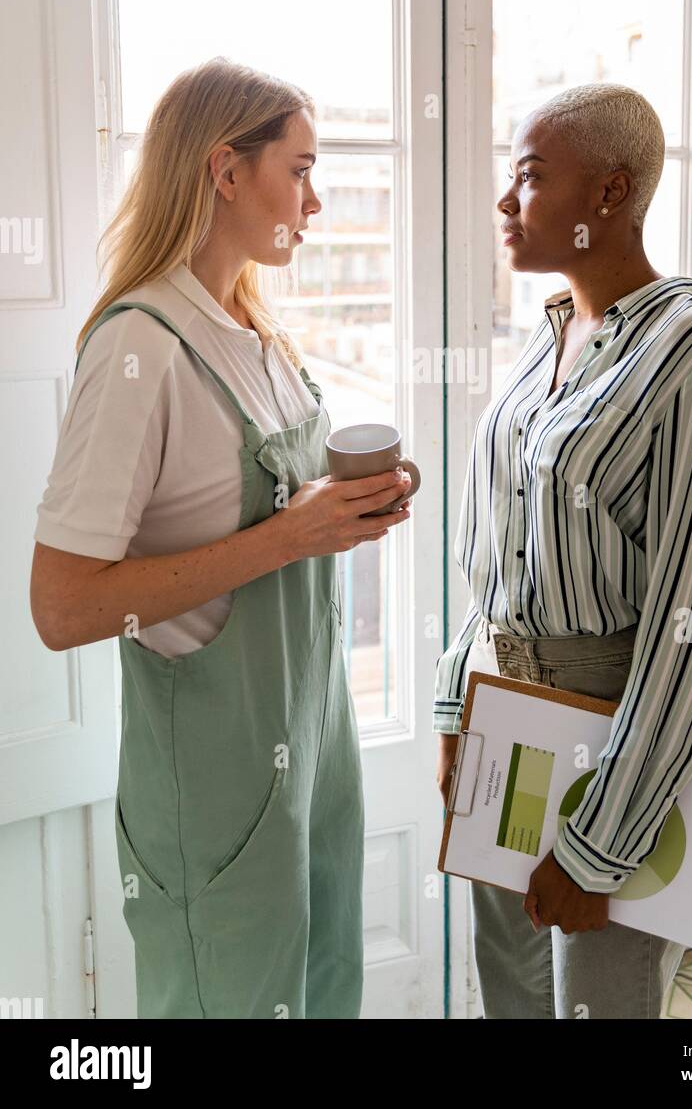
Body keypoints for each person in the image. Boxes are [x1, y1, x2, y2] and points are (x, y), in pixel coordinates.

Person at [30, 57, 414, 1019]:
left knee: (324, 991)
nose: (316, 200)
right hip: (212, 787)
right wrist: (288, 538)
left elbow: (261, 511)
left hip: (311, 750)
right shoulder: (140, 347)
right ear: (225, 171)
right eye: (301, 169)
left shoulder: (258, 333)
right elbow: (63, 606)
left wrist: (345, 507)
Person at [434, 83, 692, 1019]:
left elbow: (685, 627)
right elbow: (492, 549)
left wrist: (602, 838)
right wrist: (459, 703)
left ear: (610, 194)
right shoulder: (548, 339)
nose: (506, 202)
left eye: (530, 178)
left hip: (613, 735)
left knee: (600, 1004)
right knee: (511, 999)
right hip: (505, 732)